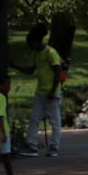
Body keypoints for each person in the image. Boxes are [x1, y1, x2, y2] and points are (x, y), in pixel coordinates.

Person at [22, 25, 64, 157]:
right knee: (34, 119)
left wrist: (53, 90)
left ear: (36, 40)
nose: (29, 46)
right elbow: (31, 70)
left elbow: (58, 71)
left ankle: (54, 147)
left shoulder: (50, 53)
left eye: (30, 43)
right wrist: (13, 65)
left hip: (52, 92)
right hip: (40, 92)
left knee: (55, 121)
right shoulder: (36, 54)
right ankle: (32, 146)